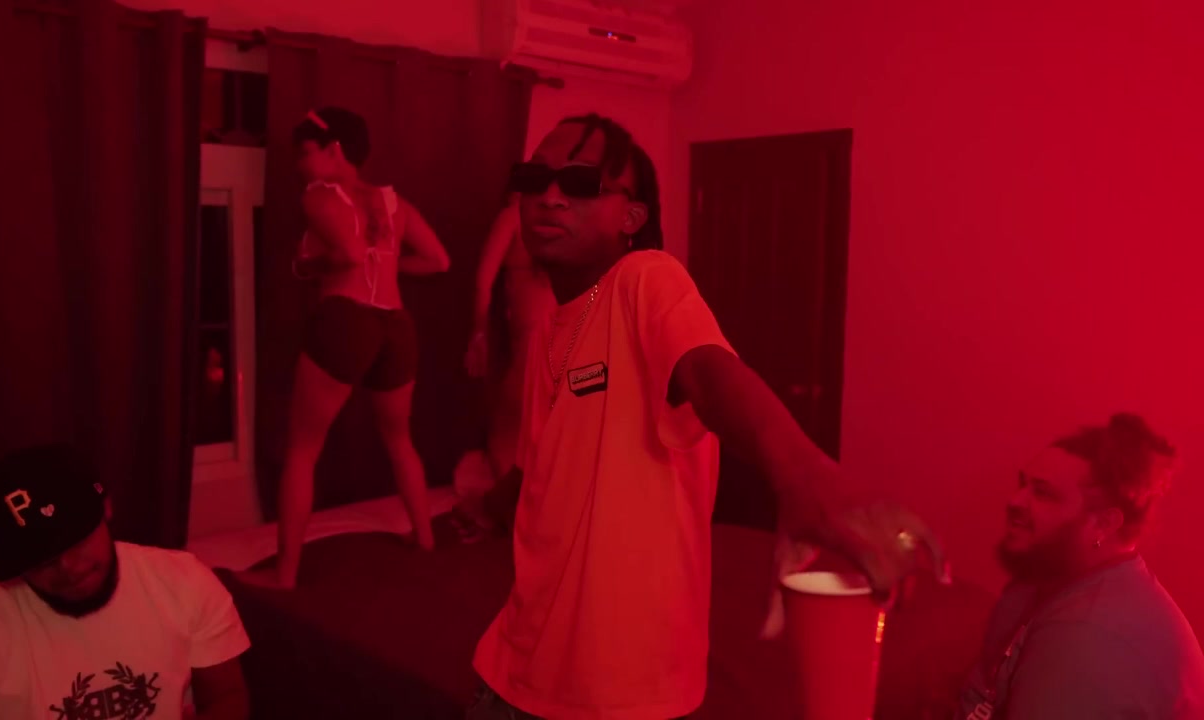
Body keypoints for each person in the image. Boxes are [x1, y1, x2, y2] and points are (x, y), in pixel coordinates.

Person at [465, 113, 945, 720]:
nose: (551, 196)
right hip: (510, 666)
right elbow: (541, 469)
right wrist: (483, 505)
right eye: (535, 178)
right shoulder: (547, 334)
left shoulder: (645, 279)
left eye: (582, 182)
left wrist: (802, 473)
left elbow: (709, 374)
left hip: (612, 693)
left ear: (631, 217)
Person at [246, 107, 451, 588]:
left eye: (306, 152)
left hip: (347, 320)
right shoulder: (394, 202)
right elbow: (438, 260)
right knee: (400, 440)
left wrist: (305, 267)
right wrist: (389, 266)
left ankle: (285, 574)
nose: (300, 163)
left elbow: (350, 255)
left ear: (334, 150)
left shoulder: (319, 195)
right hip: (395, 325)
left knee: (302, 449)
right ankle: (425, 537)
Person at [0, 444, 251, 720]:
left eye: (75, 541)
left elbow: (227, 698)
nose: (67, 567)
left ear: (106, 507)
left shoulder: (184, 582)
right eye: (42, 559)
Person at [955, 413, 1204, 720]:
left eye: (1043, 493)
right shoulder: (1046, 584)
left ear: (1104, 524)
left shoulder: (1093, 636)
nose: (1015, 501)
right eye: (1023, 484)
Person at [464, 191, 556, 483]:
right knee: (540, 417)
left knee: (511, 419)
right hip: (560, 326)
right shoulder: (559, 218)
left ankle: (509, 496)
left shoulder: (513, 217)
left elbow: (483, 280)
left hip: (535, 328)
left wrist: (479, 332)